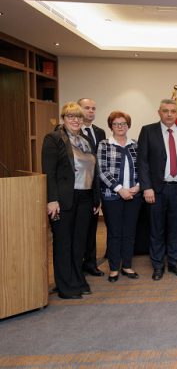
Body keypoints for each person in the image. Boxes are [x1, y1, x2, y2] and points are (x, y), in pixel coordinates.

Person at [42, 102, 100, 299]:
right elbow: (49, 172)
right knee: (64, 243)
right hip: (64, 199)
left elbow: (94, 171)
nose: (75, 120)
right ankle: (65, 286)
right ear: (63, 118)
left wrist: (96, 198)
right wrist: (52, 200)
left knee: (79, 243)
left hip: (85, 198)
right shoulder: (54, 139)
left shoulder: (85, 140)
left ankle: (77, 279)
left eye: (78, 117)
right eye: (70, 116)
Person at [138, 99, 177, 280]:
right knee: (157, 230)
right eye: (166, 111)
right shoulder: (148, 131)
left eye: (173, 111)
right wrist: (147, 187)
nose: (170, 114)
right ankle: (158, 266)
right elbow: (142, 162)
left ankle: (174, 263)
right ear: (159, 112)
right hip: (157, 190)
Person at [97, 111, 142, 282]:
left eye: (123, 123)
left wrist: (138, 186)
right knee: (114, 233)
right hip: (112, 196)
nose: (120, 127)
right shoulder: (104, 145)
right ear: (111, 126)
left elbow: (143, 167)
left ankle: (127, 266)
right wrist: (119, 189)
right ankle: (114, 268)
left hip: (134, 195)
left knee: (130, 233)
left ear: (128, 125)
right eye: (116, 124)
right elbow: (102, 170)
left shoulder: (135, 145)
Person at [78, 97, 106, 277]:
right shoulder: (71, 131)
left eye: (93, 108)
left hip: (95, 187)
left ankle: (90, 263)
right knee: (78, 230)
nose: (90, 111)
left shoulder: (99, 132)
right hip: (79, 187)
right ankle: (77, 265)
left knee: (91, 228)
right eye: (87, 108)